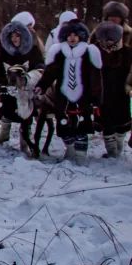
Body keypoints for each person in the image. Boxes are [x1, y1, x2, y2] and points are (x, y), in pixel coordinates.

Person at [37, 20, 101, 165]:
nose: (72, 38)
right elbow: (50, 73)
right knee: (63, 123)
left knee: (82, 126)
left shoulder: (88, 52)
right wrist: (42, 85)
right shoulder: (59, 53)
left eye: (76, 35)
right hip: (63, 96)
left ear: (81, 36)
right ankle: (70, 149)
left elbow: (95, 77)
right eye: (69, 35)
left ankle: (81, 156)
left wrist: (96, 97)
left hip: (83, 97)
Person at [0, 20, 45, 152]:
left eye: (17, 36)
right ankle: (4, 134)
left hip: (27, 88)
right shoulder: (5, 51)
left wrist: (30, 78)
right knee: (7, 109)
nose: (14, 39)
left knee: (26, 114)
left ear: (23, 36)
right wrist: (5, 82)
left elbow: (40, 66)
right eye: (12, 36)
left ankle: (24, 140)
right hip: (9, 88)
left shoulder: (33, 50)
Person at [91, 21, 131, 158]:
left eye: (111, 38)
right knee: (106, 122)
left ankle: (119, 143)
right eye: (105, 38)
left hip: (121, 92)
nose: (107, 42)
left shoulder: (126, 52)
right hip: (102, 93)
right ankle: (112, 151)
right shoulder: (95, 51)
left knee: (122, 124)